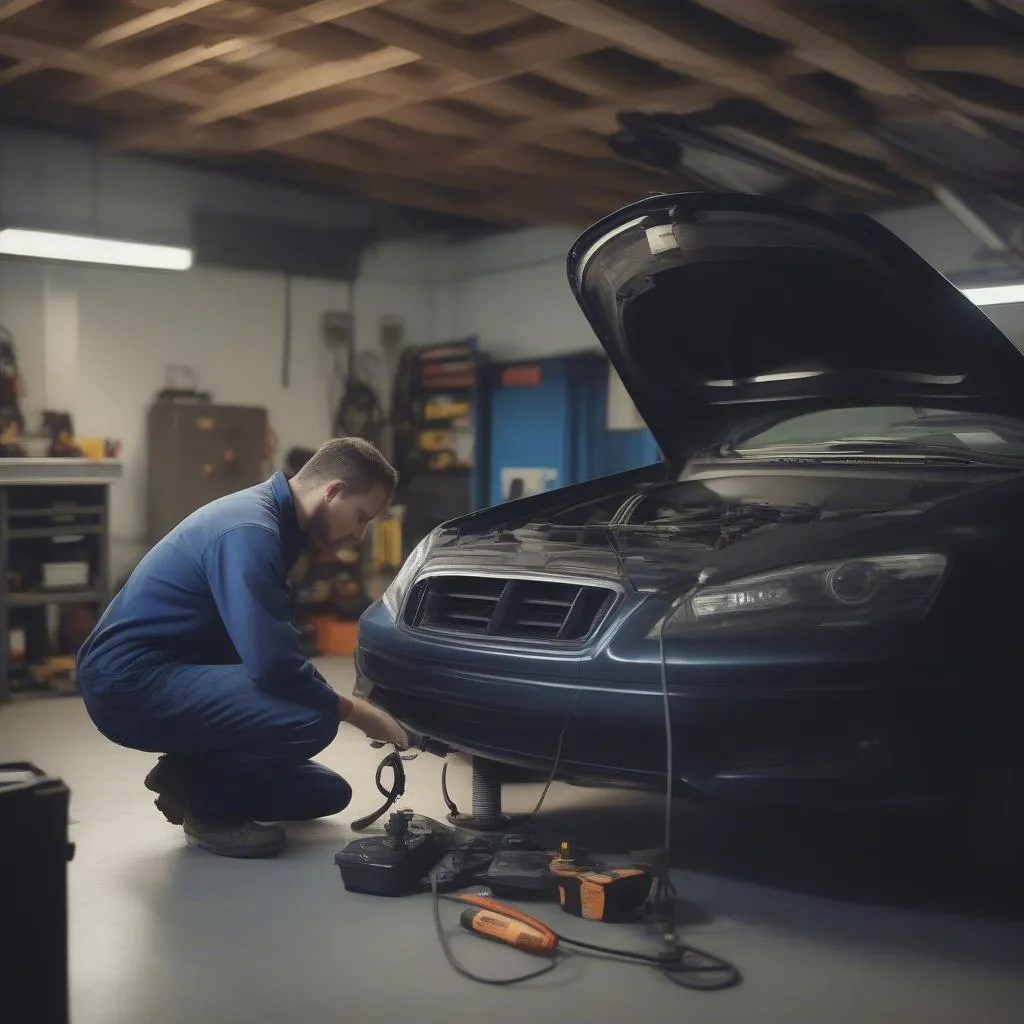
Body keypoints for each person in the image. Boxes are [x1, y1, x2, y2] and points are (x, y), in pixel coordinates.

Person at [75, 437, 409, 859]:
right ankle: (211, 817)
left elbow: (266, 649)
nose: (359, 534)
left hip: (176, 671)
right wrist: (359, 714)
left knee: (325, 793)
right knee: (313, 718)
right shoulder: (251, 530)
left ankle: (187, 776)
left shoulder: (279, 528)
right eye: (361, 517)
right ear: (333, 492)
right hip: (131, 684)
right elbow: (273, 666)